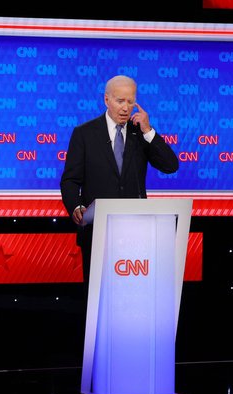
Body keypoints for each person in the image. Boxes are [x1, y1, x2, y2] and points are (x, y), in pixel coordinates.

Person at [60, 75, 179, 286]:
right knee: (98, 294)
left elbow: (171, 166)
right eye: (120, 101)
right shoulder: (84, 133)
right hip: (97, 231)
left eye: (130, 102)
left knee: (133, 292)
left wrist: (148, 131)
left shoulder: (140, 133)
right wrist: (76, 205)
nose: (126, 108)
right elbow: (70, 180)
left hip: (135, 232)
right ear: (107, 100)